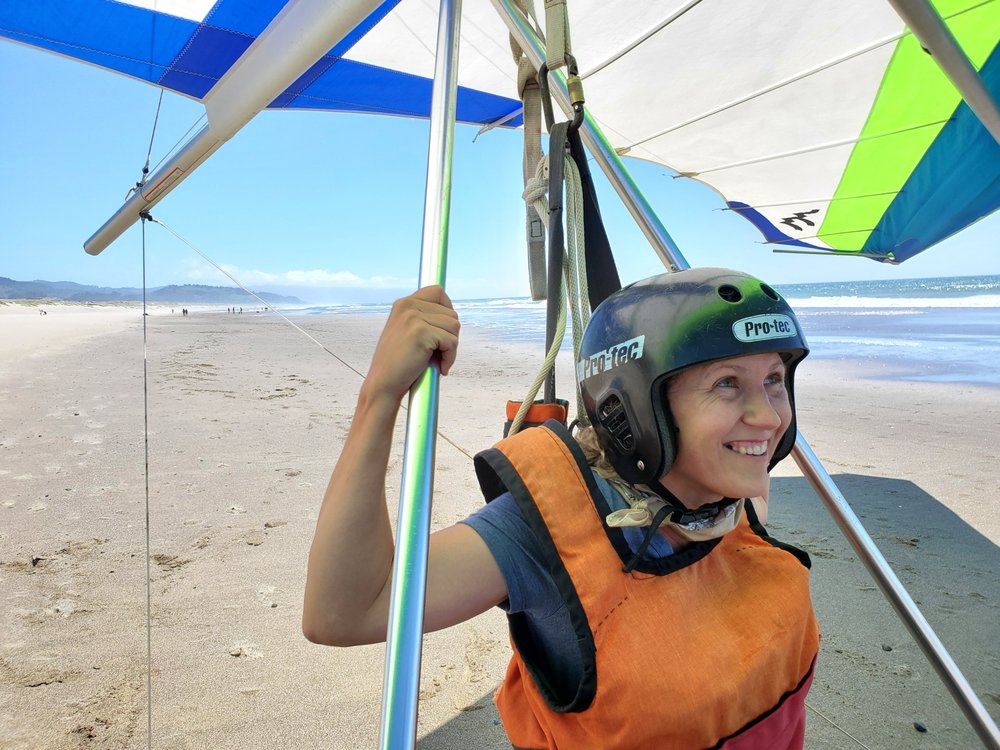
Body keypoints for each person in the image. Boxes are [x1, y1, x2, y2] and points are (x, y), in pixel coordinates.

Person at [303, 267, 820, 749]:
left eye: (774, 380)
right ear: (637, 409)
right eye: (727, 383)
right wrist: (379, 396)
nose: (768, 417)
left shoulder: (738, 500)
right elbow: (345, 613)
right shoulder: (546, 532)